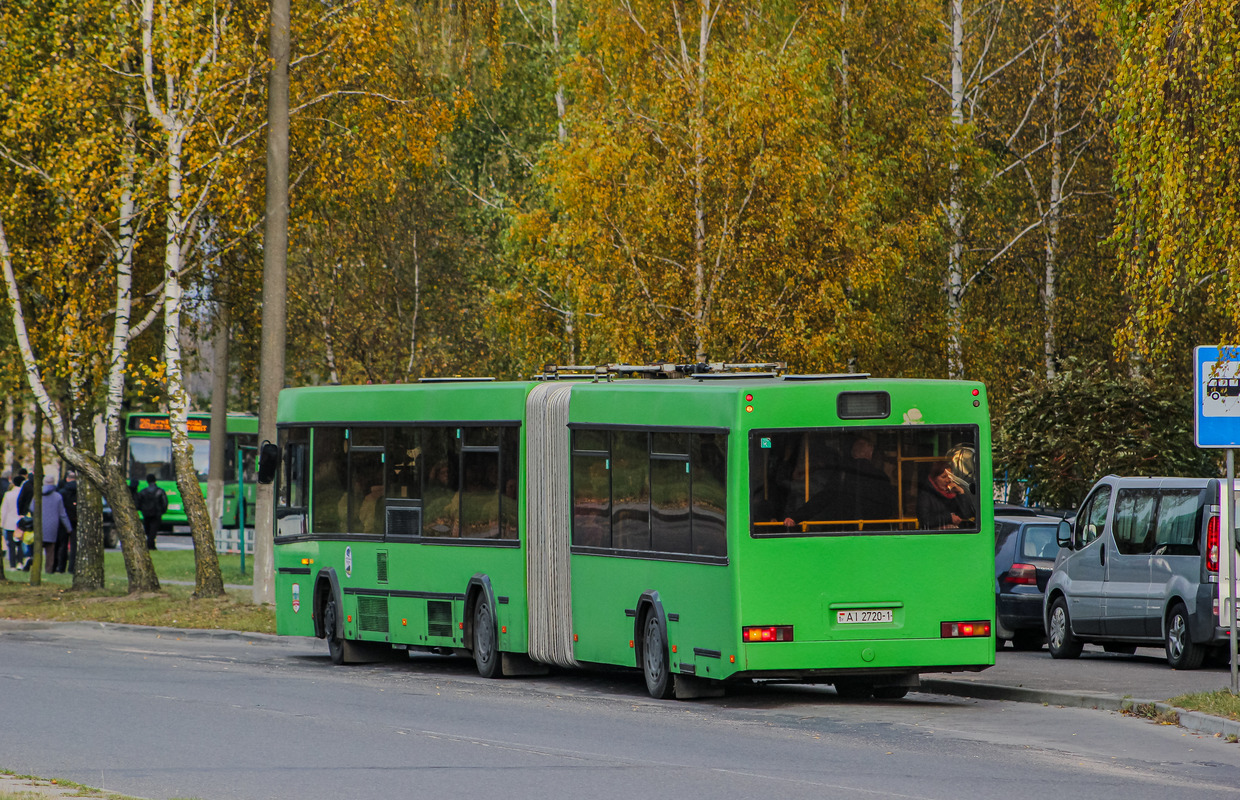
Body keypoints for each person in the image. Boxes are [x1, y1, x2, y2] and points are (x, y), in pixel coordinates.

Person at [918, 460, 970, 530]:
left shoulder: (953, 493)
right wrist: (949, 518)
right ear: (935, 479)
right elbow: (924, 520)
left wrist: (961, 492)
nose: (947, 480)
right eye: (943, 477)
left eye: (949, 477)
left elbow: (966, 514)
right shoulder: (926, 495)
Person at [39, 475, 72, 574]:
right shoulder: (57, 497)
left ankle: (37, 569)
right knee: (50, 551)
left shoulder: (37, 495)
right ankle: (49, 570)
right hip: (53, 526)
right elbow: (62, 514)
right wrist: (68, 528)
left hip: (40, 525)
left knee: (38, 550)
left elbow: (32, 508)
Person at [135, 474, 168, 549]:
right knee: (153, 530)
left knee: (148, 530)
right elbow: (164, 503)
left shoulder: (143, 492)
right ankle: (150, 544)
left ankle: (151, 544)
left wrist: (142, 509)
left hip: (146, 514)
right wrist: (162, 511)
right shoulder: (160, 491)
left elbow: (138, 503)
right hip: (156, 513)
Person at [55, 471, 78, 573]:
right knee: (74, 546)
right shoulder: (79, 491)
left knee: (62, 545)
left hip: (63, 521)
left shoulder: (62, 492)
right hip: (76, 520)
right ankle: (72, 568)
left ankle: (61, 567)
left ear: (67, 479)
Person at [0, 475, 19, 569]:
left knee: (11, 545)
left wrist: (1, 524)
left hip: (9, 522)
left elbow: (4, 510)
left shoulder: (8, 494)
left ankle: (12, 565)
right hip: (21, 522)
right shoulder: (24, 493)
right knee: (20, 544)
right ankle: (20, 562)